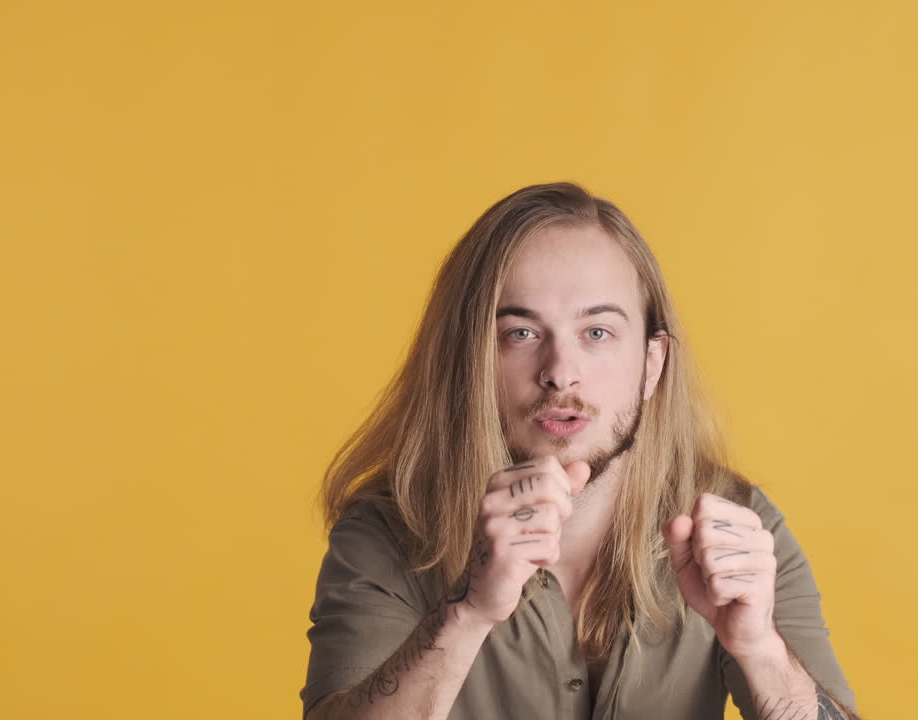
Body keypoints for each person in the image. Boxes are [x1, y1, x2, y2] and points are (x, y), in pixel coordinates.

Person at [300, 182, 858, 720]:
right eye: (520, 333)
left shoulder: (741, 525)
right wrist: (467, 612)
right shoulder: (387, 530)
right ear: (468, 363)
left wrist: (759, 648)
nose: (560, 373)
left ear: (652, 364)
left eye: (597, 333)